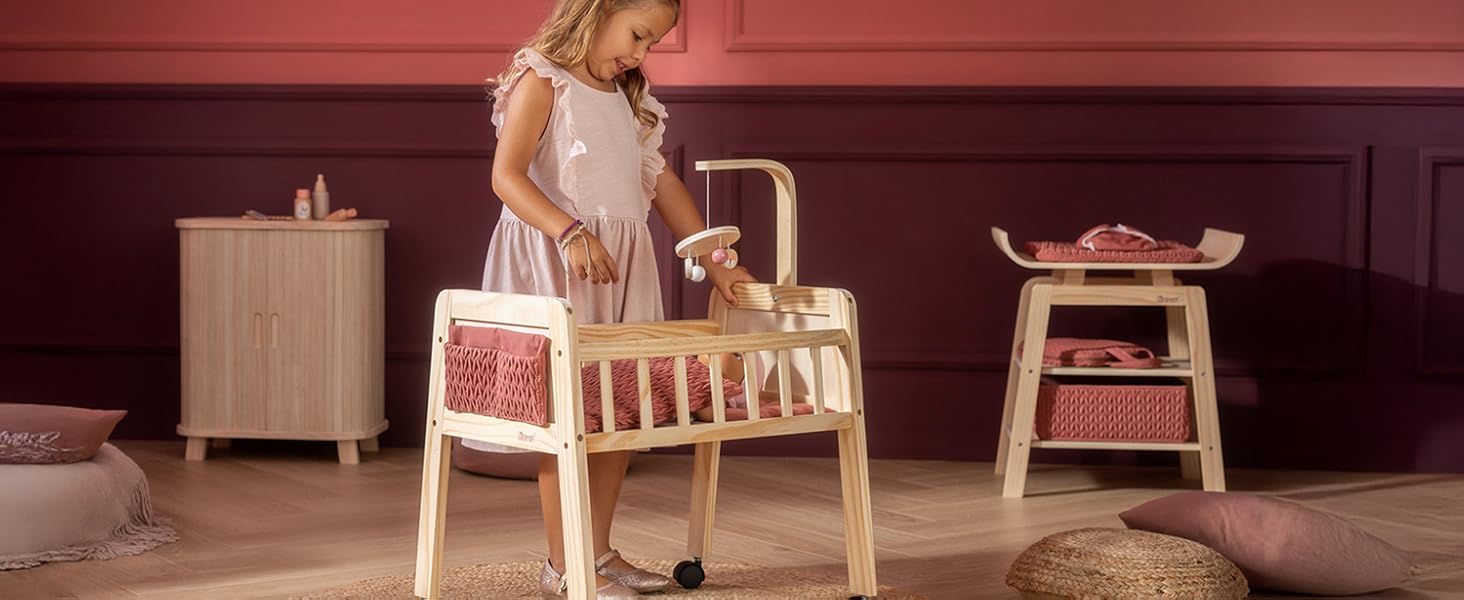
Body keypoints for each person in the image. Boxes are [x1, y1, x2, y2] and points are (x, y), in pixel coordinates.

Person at [472, 0, 756, 596]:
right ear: (596, 11)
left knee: (613, 416)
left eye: (650, 43)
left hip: (619, 272)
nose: (639, 54)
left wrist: (713, 259)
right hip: (556, 266)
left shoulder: (630, 99)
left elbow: (662, 182)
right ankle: (563, 563)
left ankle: (596, 552)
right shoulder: (541, 79)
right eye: (637, 34)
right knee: (566, 418)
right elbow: (507, 175)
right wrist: (569, 231)